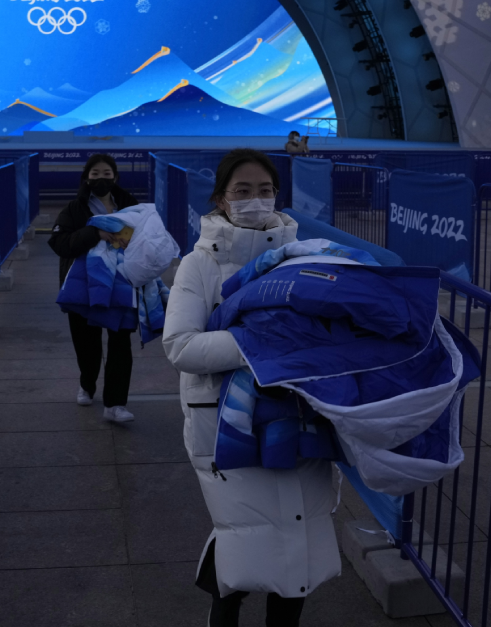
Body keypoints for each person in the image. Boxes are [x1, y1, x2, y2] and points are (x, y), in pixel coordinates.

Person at [162, 149, 337, 627]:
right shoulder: (198, 265)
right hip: (229, 428)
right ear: (221, 200)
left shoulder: (304, 257)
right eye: (242, 191)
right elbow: (180, 346)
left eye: (265, 190)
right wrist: (263, 347)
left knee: (298, 546)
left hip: (300, 422)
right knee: (243, 540)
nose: (255, 199)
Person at [48, 154, 139, 422]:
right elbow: (59, 243)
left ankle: (115, 404)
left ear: (115, 177)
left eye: (107, 174)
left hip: (122, 285)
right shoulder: (74, 209)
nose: (101, 179)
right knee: (86, 345)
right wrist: (95, 233)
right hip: (83, 289)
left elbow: (148, 239)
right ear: (87, 178)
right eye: (95, 174)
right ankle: (87, 383)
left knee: (121, 344)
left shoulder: (131, 206)